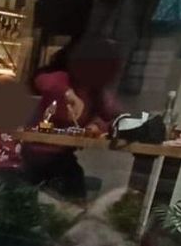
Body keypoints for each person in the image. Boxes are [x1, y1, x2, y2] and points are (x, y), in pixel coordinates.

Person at [23, 38, 123, 199]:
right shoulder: (62, 79)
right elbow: (42, 81)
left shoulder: (97, 93)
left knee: (74, 188)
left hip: (62, 156)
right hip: (33, 154)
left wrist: (97, 125)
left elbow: (114, 116)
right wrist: (69, 94)